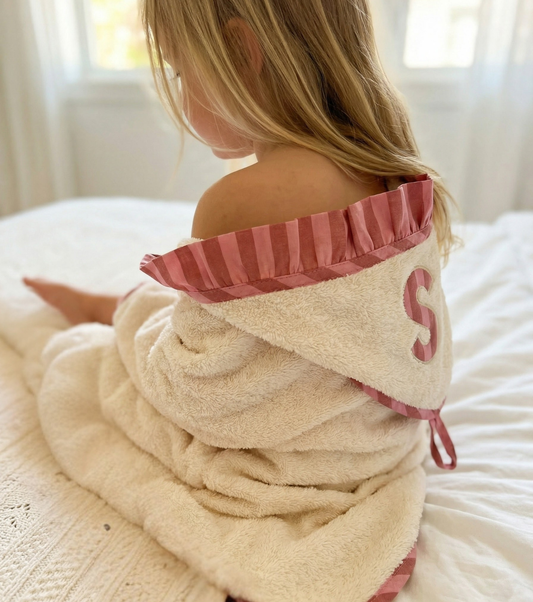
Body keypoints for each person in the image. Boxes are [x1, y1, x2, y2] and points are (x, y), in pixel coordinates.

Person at [21, 2, 463, 601]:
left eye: (181, 72)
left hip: (298, 461)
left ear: (239, 52)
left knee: (80, 364)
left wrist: (132, 327)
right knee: (161, 312)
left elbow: (195, 392)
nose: (179, 92)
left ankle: (116, 307)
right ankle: (122, 304)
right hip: (376, 445)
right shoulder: (394, 174)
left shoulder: (239, 201)